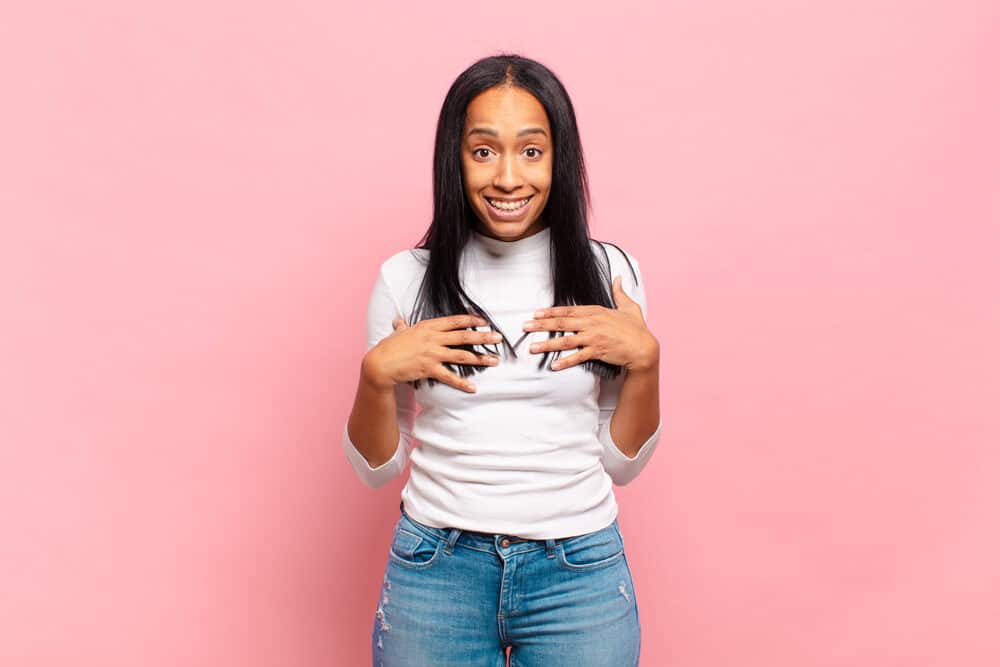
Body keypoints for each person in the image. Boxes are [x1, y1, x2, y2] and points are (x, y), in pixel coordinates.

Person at [343, 53, 662, 667]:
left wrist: (646, 363)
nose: (509, 178)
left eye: (532, 152)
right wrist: (376, 374)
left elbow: (622, 464)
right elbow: (376, 472)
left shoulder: (608, 273)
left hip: (579, 571)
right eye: (484, 151)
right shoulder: (405, 279)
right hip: (437, 569)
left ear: (558, 160)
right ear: (454, 159)